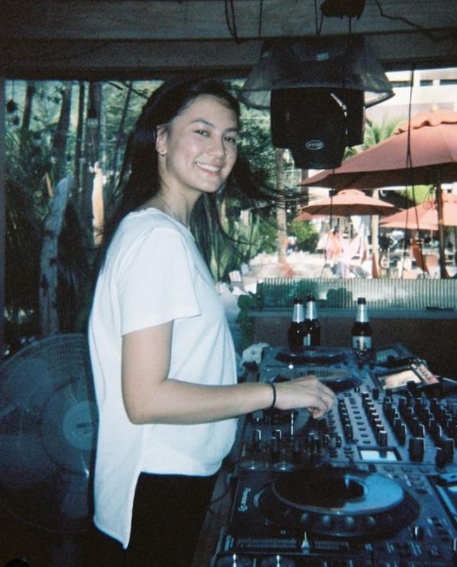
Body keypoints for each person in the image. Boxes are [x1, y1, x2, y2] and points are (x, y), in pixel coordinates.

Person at [87, 76, 336, 567]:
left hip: (173, 477)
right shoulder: (156, 239)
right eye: (201, 132)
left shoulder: (167, 232)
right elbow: (146, 398)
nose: (220, 151)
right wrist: (274, 394)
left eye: (230, 137)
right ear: (161, 140)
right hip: (155, 485)